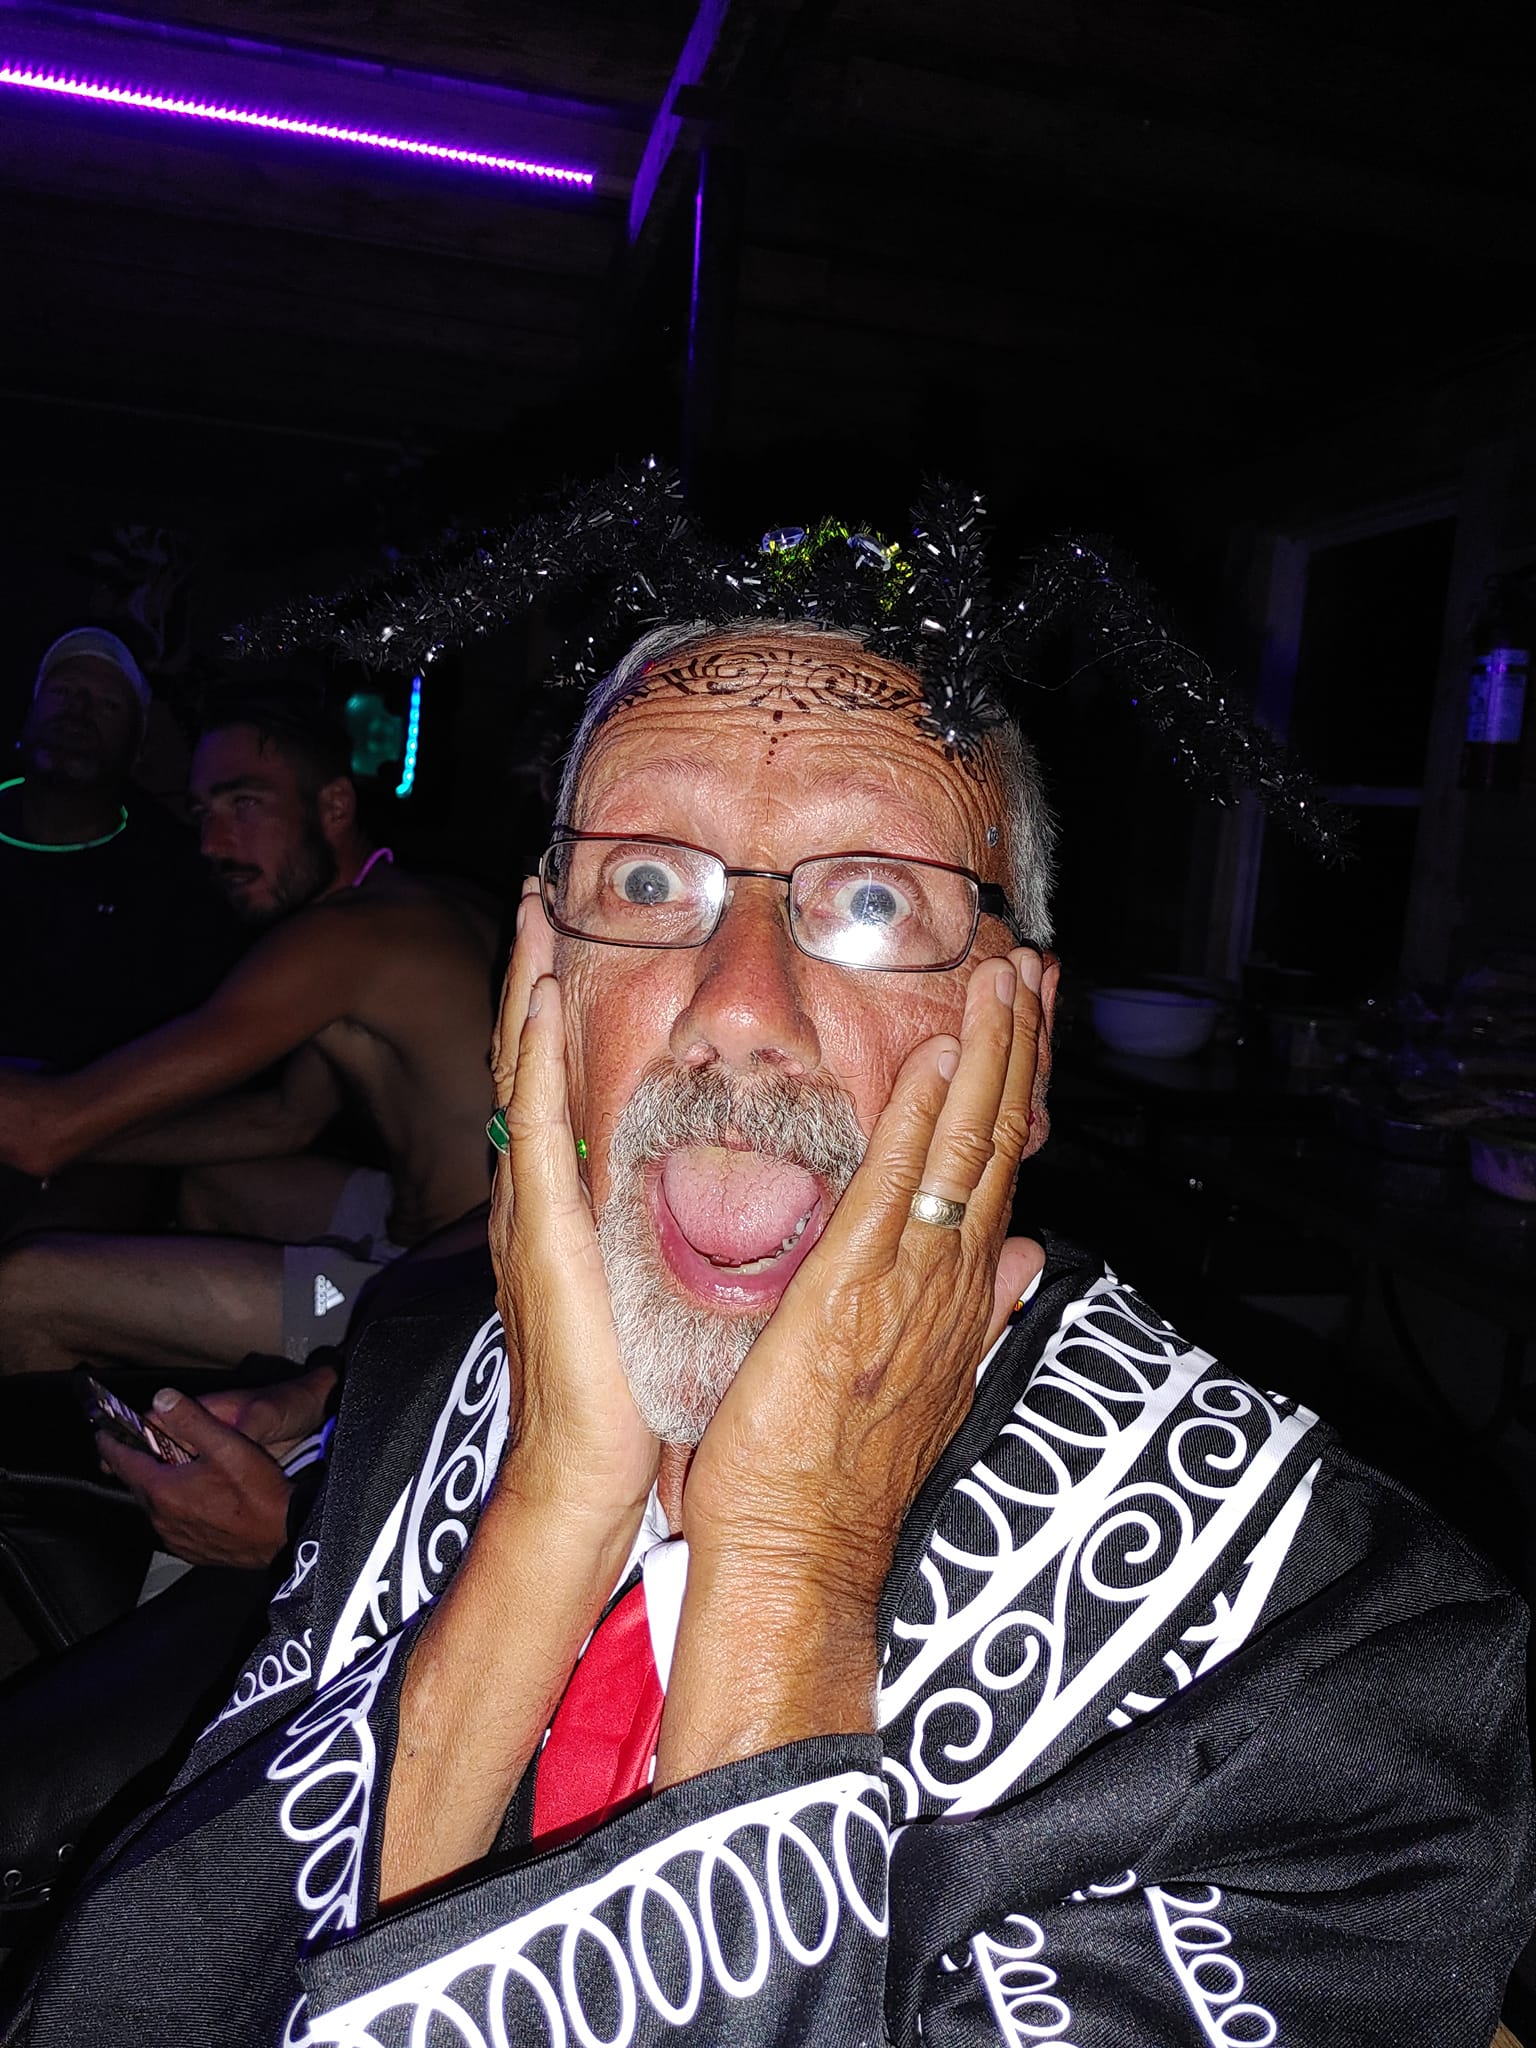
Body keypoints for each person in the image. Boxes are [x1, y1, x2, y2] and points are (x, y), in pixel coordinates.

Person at [8, 619, 1530, 2048]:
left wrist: (793, 1565)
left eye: (875, 901)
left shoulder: (1355, 1694)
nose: (738, 1003)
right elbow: (152, 1991)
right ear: (540, 984)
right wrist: (549, 1507)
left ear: (1027, 1039)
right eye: (646, 882)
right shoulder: (429, 1366)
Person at [0, 696, 498, 1375]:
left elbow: (39, 1132)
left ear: (334, 806)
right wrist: (92, 1139)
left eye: (244, 804)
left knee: (24, 1288)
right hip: (437, 1227)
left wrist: (66, 1130)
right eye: (202, 811)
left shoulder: (341, 939)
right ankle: (227, 1398)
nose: (212, 843)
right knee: (210, 1182)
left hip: (459, 1297)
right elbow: (287, 1118)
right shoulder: (413, 901)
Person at [0, 628, 239, 1230]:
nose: (78, 710)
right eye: (63, 692)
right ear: (28, 715)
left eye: (106, 704)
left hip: (100, 1147)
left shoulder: (179, 872)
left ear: (138, 749)